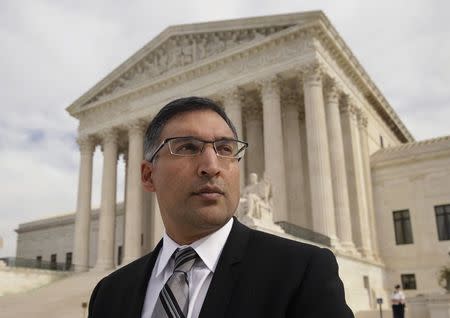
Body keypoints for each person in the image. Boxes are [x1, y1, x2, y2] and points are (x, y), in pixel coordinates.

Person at [88, 96, 354, 318]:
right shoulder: (109, 295)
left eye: (225, 149)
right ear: (148, 176)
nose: (212, 166)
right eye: (188, 147)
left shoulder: (302, 274)